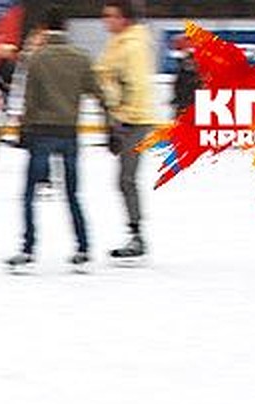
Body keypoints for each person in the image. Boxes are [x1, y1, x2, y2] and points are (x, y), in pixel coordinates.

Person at [6, 5, 103, 274]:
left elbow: (30, 99)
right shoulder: (81, 57)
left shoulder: (37, 58)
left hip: (41, 132)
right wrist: (109, 123)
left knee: (28, 193)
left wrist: (23, 130)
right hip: (69, 133)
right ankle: (83, 247)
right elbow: (97, 93)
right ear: (66, 27)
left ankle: (27, 248)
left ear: (44, 28)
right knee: (72, 193)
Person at [96, 0, 156, 262]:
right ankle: (135, 233)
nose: (105, 21)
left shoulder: (132, 47)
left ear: (124, 19)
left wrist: (121, 121)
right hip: (123, 118)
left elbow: (136, 85)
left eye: (111, 16)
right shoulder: (118, 42)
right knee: (124, 179)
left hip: (134, 120)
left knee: (126, 179)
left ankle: (137, 235)